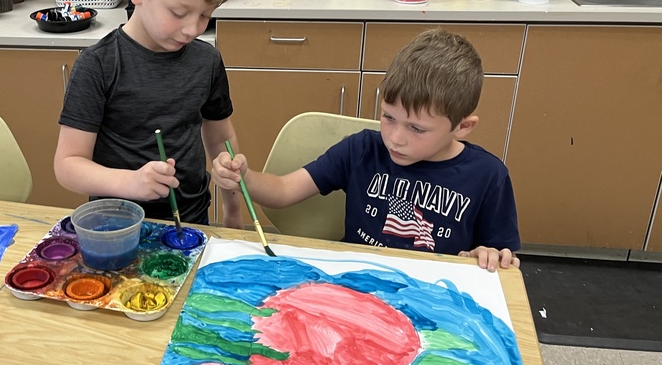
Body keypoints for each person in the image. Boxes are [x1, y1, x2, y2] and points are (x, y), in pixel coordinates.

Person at [212, 28, 521, 271]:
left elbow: (499, 256)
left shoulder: (489, 176)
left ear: (463, 127)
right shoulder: (362, 149)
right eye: (388, 117)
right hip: (356, 285)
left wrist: (492, 256)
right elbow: (283, 190)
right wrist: (244, 177)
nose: (395, 138)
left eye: (416, 128)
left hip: (432, 298)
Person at [55, 0, 245, 228]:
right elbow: (67, 165)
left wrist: (232, 203)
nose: (193, 28)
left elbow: (220, 139)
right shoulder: (98, 65)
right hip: (116, 228)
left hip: (192, 222)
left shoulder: (206, 60)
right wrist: (130, 183)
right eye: (178, 13)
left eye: (205, 14)